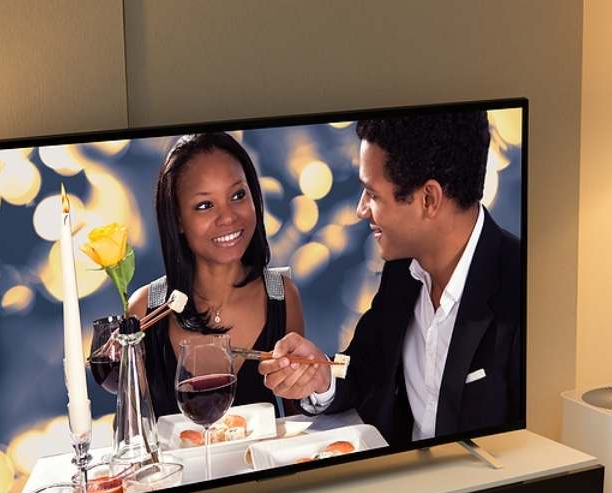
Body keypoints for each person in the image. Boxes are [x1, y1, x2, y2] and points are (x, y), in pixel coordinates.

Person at [258, 109, 524, 446]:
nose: (360, 209)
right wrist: (322, 375)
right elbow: (366, 372)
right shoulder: (403, 270)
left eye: (372, 194)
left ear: (428, 199)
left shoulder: (523, 290)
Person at [124, 131, 306, 421]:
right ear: (178, 219)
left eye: (238, 195)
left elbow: (298, 423)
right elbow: (132, 432)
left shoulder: (282, 295)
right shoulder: (145, 308)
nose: (229, 217)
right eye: (205, 205)